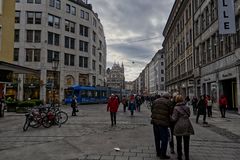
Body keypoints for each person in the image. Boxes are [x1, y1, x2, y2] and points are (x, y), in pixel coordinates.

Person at [171, 95, 194, 160]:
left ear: (176, 100)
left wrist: (170, 117)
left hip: (179, 126)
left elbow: (174, 118)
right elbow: (189, 115)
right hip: (187, 124)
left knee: (179, 142)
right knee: (186, 143)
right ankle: (187, 157)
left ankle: (179, 156)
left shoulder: (176, 108)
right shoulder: (187, 107)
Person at [151, 93, 172, 159]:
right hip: (163, 123)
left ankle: (158, 152)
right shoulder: (168, 102)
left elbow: (152, 110)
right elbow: (171, 112)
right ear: (168, 97)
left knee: (157, 138)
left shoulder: (155, 101)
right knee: (164, 139)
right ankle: (163, 154)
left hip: (155, 122)